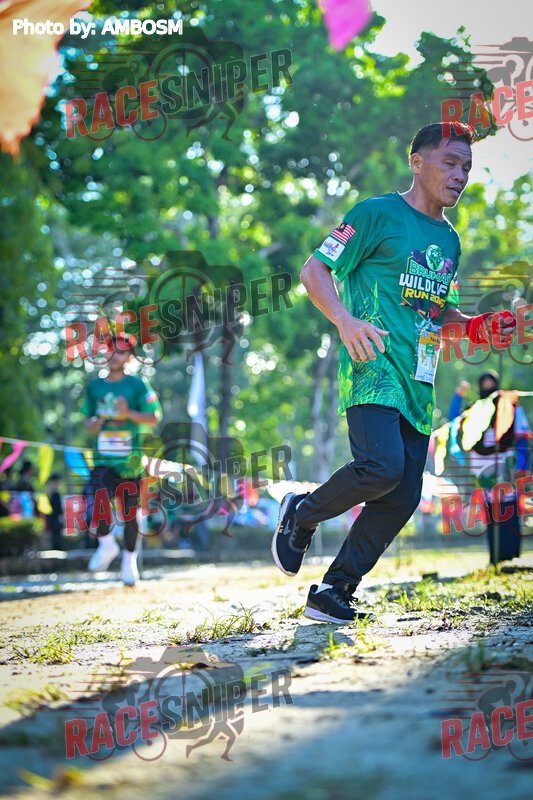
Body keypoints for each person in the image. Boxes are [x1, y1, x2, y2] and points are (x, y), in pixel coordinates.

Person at [271, 122, 516, 623]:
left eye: (467, 167)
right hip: (372, 366)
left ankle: (334, 590)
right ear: (417, 162)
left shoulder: (449, 241)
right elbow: (314, 270)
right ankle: (301, 511)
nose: (460, 175)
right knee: (381, 468)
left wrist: (477, 328)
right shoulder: (375, 214)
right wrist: (346, 321)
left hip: (418, 380)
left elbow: (437, 314)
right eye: (450, 162)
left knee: (403, 494)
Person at [82, 332, 162, 585]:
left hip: (131, 464)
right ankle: (106, 544)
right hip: (103, 461)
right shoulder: (95, 387)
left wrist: (128, 413)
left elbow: (154, 418)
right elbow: (86, 418)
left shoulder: (138, 386)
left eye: (121, 351)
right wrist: (92, 424)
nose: (114, 356)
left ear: (129, 357)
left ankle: (129, 561)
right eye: (110, 350)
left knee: (130, 515)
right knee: (95, 499)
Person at [449, 371, 531, 564]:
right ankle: (495, 556)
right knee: (491, 512)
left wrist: (522, 465)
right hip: (481, 468)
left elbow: (522, 436)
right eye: (484, 384)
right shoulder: (474, 409)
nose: (487, 387)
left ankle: (510, 555)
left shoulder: (511, 406)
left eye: (490, 383)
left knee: (508, 509)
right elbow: (453, 420)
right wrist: (459, 395)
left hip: (505, 466)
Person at [46, 473, 64, 550]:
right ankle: (56, 546)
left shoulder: (50, 492)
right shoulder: (54, 492)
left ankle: (56, 546)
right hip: (55, 515)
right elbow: (57, 507)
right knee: (56, 531)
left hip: (52, 515)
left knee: (56, 531)